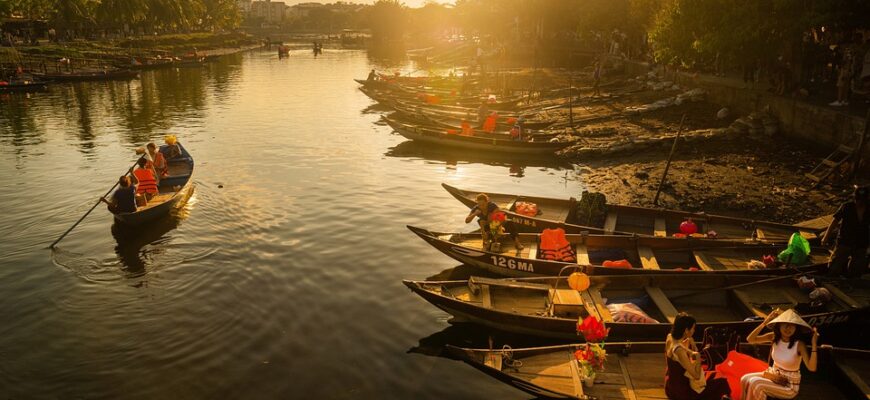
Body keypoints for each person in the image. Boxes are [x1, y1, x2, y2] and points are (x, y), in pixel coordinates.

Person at [741, 308, 819, 400]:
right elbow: (750, 339)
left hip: (789, 385)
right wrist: (764, 323)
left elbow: (812, 368)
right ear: (779, 325)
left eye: (792, 325)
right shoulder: (773, 337)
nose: (788, 328)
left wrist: (814, 344)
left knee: (755, 383)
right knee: (744, 379)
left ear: (796, 328)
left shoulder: (799, 345)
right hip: (774, 376)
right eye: (785, 324)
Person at [665, 313, 731, 400]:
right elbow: (696, 375)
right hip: (682, 392)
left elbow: (677, 349)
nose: (694, 331)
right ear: (686, 330)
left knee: (712, 375)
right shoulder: (680, 351)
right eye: (693, 328)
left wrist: (690, 345)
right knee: (722, 383)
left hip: (670, 386)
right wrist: (698, 358)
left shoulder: (670, 337)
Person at [821, 185, 868, 278]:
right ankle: (832, 279)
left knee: (856, 269)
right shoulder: (846, 207)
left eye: (862, 200)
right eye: (858, 199)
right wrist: (825, 237)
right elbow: (834, 222)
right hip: (844, 241)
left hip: (861, 243)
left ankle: (851, 281)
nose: (859, 202)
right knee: (834, 266)